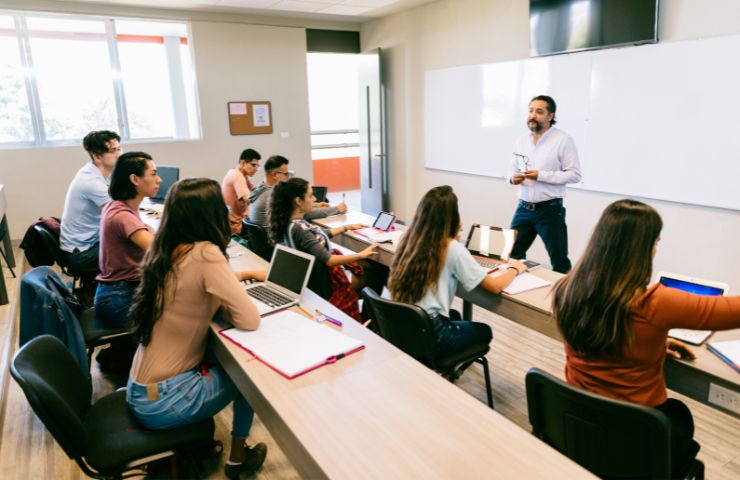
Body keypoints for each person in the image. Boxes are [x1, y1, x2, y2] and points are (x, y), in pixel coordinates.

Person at [552, 198, 740, 475]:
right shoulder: (654, 303)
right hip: (633, 440)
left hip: (579, 425)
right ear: (641, 249)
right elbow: (730, 311)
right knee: (679, 415)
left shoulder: (566, 289)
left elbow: (603, 332)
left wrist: (652, 341)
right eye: (655, 242)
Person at [127, 178, 268, 479]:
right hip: (166, 400)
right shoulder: (206, 253)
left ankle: (210, 447)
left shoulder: (165, 248)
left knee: (225, 358)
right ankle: (238, 460)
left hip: (141, 390)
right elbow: (249, 320)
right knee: (250, 374)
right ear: (211, 213)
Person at [389, 186, 527, 357]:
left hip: (404, 323)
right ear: (452, 218)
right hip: (433, 331)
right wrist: (515, 268)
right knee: (484, 331)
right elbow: (495, 287)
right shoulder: (452, 248)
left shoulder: (408, 239)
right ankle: (447, 373)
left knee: (455, 315)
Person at [268, 177, 379, 321]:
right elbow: (330, 260)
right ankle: (366, 320)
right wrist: (361, 254)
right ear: (298, 201)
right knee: (378, 272)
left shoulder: (290, 224)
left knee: (369, 267)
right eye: (310, 195)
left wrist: (346, 227)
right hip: (327, 283)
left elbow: (313, 238)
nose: (314, 199)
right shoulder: (300, 229)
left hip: (312, 280)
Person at [93, 152, 160, 374]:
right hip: (119, 300)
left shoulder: (119, 207)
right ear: (134, 179)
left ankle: (122, 354)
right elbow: (160, 252)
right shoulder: (123, 216)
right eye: (153, 174)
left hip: (113, 294)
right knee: (182, 307)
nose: (159, 180)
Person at [507, 95, 581, 273]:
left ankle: (564, 299)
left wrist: (541, 175)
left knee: (559, 261)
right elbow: (510, 170)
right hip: (523, 208)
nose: (533, 115)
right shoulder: (521, 140)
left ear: (550, 116)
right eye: (531, 110)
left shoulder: (563, 140)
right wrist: (512, 178)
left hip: (549, 210)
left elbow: (574, 175)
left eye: (539, 112)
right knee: (510, 255)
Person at [59, 130, 122, 276]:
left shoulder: (97, 173)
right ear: (97, 156)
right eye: (113, 150)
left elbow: (119, 201)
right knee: (135, 249)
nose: (119, 154)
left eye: (119, 148)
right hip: (81, 254)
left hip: (90, 242)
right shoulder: (91, 181)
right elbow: (119, 214)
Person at [248, 155, 346, 229]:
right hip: (275, 245)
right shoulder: (272, 195)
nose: (289, 177)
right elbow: (304, 213)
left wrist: (315, 205)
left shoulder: (260, 189)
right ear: (274, 175)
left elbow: (295, 207)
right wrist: (337, 209)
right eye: (286, 174)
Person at [222, 148, 261, 235]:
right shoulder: (237, 176)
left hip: (235, 222)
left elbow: (255, 190)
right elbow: (249, 199)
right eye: (253, 165)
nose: (256, 169)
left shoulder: (238, 173)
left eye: (257, 166)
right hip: (236, 226)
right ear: (243, 163)